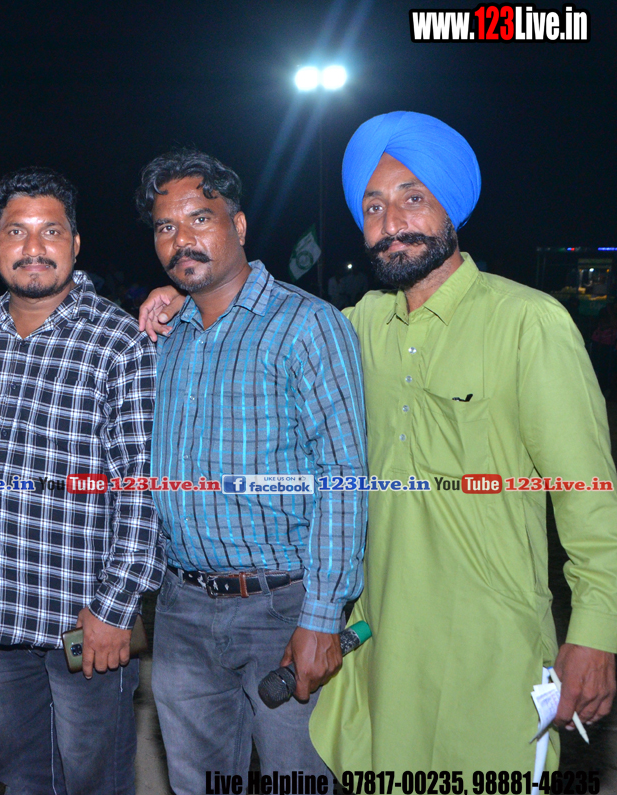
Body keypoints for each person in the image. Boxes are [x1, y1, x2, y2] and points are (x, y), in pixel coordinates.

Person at [143, 111, 617, 774]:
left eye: (412, 199)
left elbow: (589, 494)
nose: (392, 223)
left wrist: (596, 631)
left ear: (451, 206)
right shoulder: (359, 326)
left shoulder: (529, 322)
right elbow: (249, 319)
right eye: (373, 207)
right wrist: (180, 294)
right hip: (381, 644)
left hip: (491, 639)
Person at [133, 150, 367, 790]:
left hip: (283, 608)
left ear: (237, 225)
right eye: (165, 227)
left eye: (199, 219)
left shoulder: (307, 326)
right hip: (181, 608)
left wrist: (322, 615)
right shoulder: (165, 336)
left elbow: (343, 476)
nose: (181, 239)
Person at [0, 167, 161, 794]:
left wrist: (115, 610)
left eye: (51, 231)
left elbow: (143, 488)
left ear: (75, 243)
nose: (34, 247)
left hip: (84, 625)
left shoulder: (119, 342)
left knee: (95, 782)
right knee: (19, 779)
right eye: (17, 232)